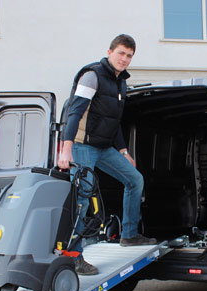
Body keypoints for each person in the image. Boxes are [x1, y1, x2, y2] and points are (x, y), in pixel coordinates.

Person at [58, 34, 156, 276]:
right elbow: (74, 112)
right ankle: (73, 257)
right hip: (82, 146)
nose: (125, 59)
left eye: (129, 56)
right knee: (82, 201)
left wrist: (123, 151)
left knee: (135, 179)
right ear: (110, 52)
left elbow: (115, 121)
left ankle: (129, 235)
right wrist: (66, 149)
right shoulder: (92, 76)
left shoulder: (120, 82)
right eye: (121, 53)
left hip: (104, 148)